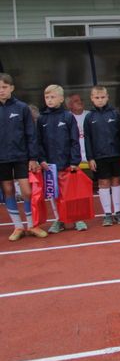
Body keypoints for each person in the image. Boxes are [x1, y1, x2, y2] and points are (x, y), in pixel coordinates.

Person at [0, 73, 45, 241]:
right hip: (2, 158)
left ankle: (32, 225)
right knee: (8, 190)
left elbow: (31, 134)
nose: (1, 91)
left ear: (11, 88)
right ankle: (18, 227)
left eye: (4, 87)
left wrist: (33, 158)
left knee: (27, 191)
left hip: (21, 156)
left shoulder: (21, 108)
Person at [37, 85, 85, 234]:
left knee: (71, 193)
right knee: (55, 194)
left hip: (67, 163)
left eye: (53, 97)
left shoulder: (68, 117)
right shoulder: (41, 119)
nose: (49, 100)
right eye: (47, 97)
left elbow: (74, 140)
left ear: (61, 99)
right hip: (50, 165)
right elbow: (38, 142)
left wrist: (74, 161)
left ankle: (77, 218)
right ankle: (60, 220)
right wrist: (42, 160)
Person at [84, 85, 120, 226]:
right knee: (103, 183)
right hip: (99, 156)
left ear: (108, 97)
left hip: (115, 154)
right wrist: (90, 158)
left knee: (116, 181)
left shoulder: (115, 114)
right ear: (92, 98)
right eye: (97, 98)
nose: (100, 100)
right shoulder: (89, 117)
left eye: (103, 97)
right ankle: (107, 214)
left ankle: (118, 212)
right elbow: (87, 139)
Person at [66, 93, 88, 165]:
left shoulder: (90, 115)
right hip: (74, 160)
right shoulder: (66, 118)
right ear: (69, 105)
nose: (80, 102)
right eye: (76, 101)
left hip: (91, 158)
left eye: (81, 100)